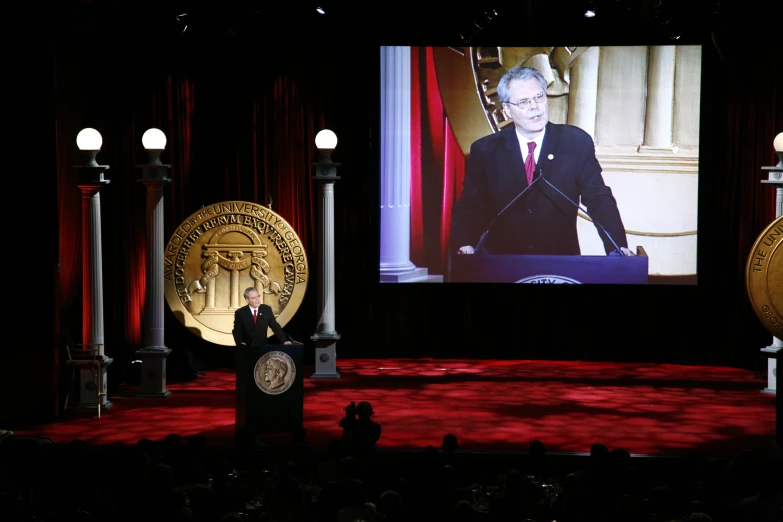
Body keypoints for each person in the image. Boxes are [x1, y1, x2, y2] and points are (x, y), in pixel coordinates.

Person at [451, 65, 634, 257]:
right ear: (506, 109)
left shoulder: (575, 143)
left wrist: (617, 247)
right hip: (501, 263)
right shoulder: (486, 150)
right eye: (523, 102)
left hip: (560, 263)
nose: (535, 107)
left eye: (539, 97)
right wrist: (465, 244)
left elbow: (598, 199)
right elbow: (471, 205)